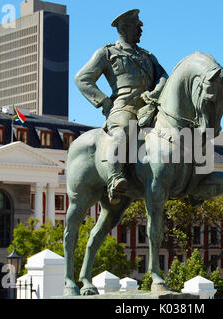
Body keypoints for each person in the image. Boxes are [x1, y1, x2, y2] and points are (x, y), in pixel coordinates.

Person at [75, 9, 168, 204]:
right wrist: (104, 102)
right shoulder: (107, 53)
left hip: (151, 106)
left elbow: (163, 77)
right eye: (137, 25)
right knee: (123, 130)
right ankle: (114, 178)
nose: (141, 29)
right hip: (124, 107)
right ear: (125, 27)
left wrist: (156, 92)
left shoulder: (147, 55)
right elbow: (82, 79)